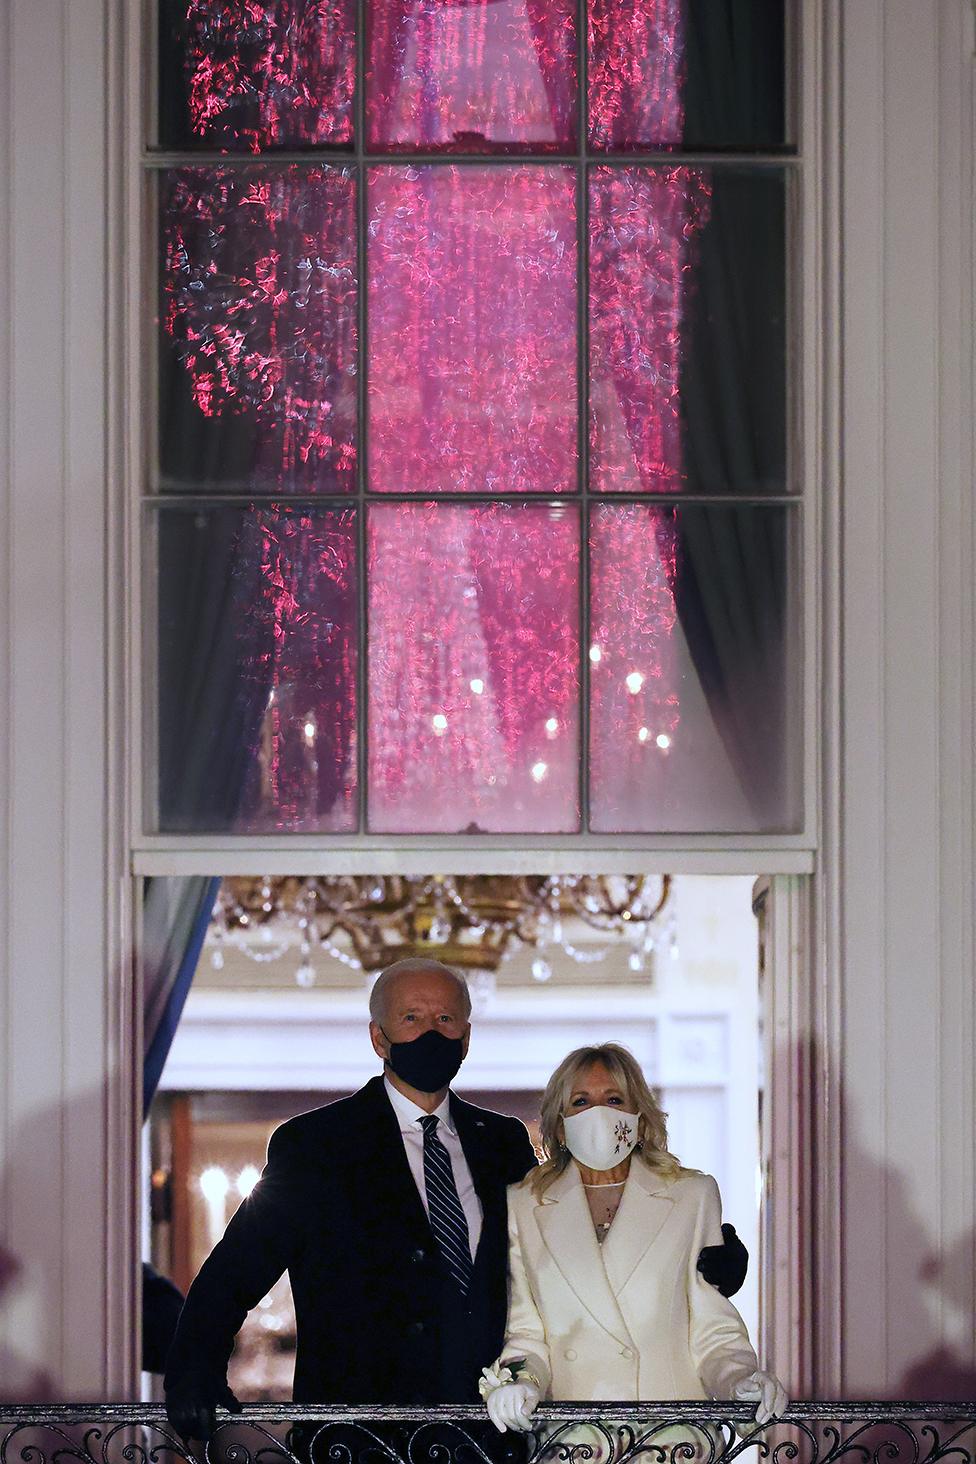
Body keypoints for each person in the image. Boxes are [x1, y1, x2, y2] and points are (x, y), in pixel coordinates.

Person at [165, 962, 750, 1440]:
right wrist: (193, 1369)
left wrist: (720, 1256)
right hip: (359, 1438)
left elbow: (574, 1242)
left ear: (467, 1037)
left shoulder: (502, 1143)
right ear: (379, 1036)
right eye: (412, 1018)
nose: (431, 1033)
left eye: (447, 1019)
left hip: (485, 1436)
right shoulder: (315, 1145)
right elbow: (237, 1268)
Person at [481, 1043, 787, 1442]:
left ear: (639, 1119)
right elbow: (526, 1334)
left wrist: (740, 1380)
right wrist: (522, 1383)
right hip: (578, 1441)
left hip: (671, 1439)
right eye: (580, 1101)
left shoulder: (690, 1195)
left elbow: (713, 1331)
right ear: (559, 1124)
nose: (598, 1113)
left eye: (613, 1099)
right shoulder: (525, 1203)